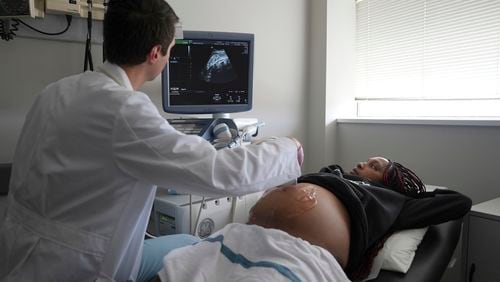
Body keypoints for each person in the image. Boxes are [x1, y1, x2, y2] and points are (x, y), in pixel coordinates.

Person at [0, 1, 303, 281]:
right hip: (78, 267)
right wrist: (287, 149)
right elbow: (221, 172)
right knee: (197, 246)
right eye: (171, 49)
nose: (171, 56)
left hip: (21, 252)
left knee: (188, 242)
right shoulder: (125, 111)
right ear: (155, 54)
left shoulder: (57, 90)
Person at [156, 157, 471, 282]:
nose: (363, 163)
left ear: (389, 179)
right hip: (246, 237)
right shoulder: (332, 176)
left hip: (301, 253)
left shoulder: (393, 202)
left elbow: (458, 202)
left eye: (375, 165)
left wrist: (413, 193)